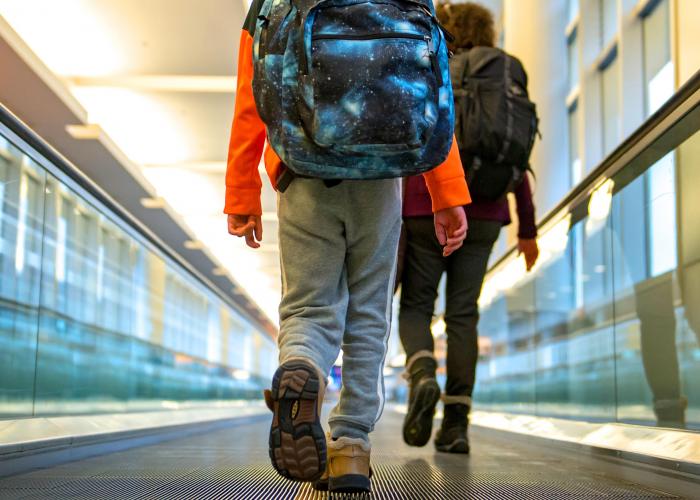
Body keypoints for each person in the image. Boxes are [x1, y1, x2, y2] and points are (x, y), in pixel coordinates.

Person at [224, 0, 471, 493]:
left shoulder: (274, 4)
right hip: (380, 178)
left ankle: (303, 367)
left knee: (309, 306)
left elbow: (253, 96)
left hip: (302, 174)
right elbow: (432, 91)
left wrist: (241, 191)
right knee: (369, 314)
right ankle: (351, 446)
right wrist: (447, 193)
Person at [398, 2, 540, 454]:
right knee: (464, 314)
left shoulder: (434, 66)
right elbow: (516, 154)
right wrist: (528, 229)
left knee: (417, 306)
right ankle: (456, 424)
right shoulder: (503, 78)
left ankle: (422, 374)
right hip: (487, 212)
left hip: (426, 205)